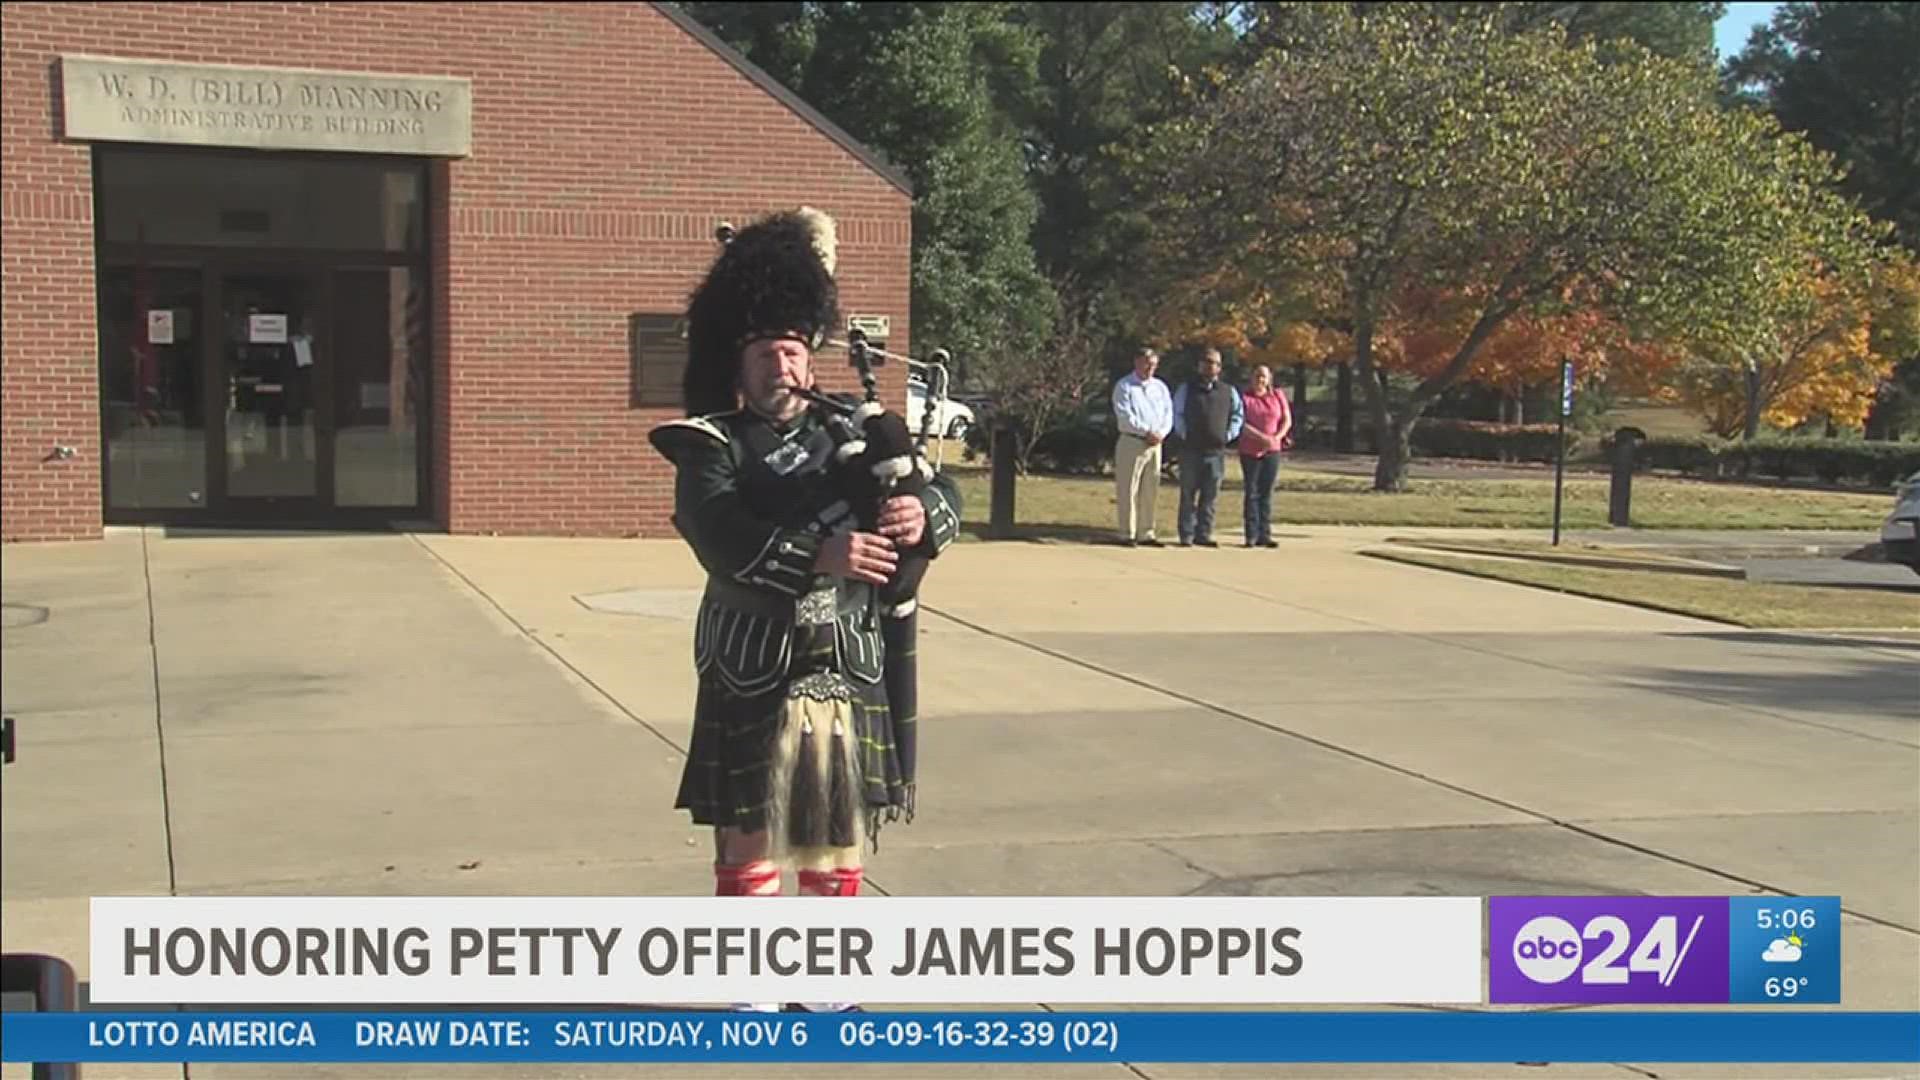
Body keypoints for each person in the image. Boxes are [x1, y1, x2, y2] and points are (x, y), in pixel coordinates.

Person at [646, 208, 963, 1009]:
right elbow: (714, 531)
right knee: (750, 820)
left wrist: (922, 516)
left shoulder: (854, 432)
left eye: (791, 348)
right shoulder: (709, 440)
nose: (781, 365)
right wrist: (817, 554)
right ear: (738, 363)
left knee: (830, 819)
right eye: (764, 353)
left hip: (843, 654)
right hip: (752, 655)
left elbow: (942, 491)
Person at [1171, 348, 1243, 547]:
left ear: (1219, 367)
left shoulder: (1229, 391)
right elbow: (1176, 413)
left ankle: (1204, 534)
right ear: (1199, 365)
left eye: (1214, 362)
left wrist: (1228, 435)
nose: (1209, 365)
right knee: (1188, 495)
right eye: (1206, 361)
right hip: (1191, 451)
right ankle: (1186, 534)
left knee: (1210, 496)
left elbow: (1238, 415)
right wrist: (1184, 434)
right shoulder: (1186, 389)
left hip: (1216, 452)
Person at [1111, 347, 1173, 547]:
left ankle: (1146, 532)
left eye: (1154, 365)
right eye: (1147, 363)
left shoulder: (1160, 387)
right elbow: (1125, 416)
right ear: (1137, 362)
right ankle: (1126, 532)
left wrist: (1161, 433)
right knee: (1128, 488)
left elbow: (1167, 414)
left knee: (1150, 489)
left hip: (1155, 445)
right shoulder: (1124, 386)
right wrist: (1146, 431)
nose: (1150, 368)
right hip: (1133, 441)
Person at [1235, 364, 1293, 548]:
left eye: (1264, 376)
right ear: (1251, 378)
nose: (1260, 379)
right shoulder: (1244, 398)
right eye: (1257, 375)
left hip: (1272, 450)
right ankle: (1251, 535)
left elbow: (1286, 419)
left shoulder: (1277, 395)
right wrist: (1260, 437)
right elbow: (1240, 423)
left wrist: (1276, 437)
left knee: (1266, 493)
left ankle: (1264, 534)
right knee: (1251, 492)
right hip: (1250, 450)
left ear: (1269, 379)